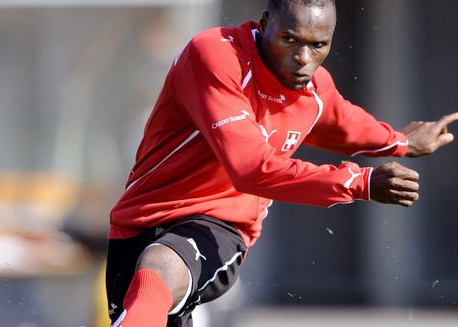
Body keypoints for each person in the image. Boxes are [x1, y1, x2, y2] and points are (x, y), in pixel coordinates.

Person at [105, 0, 458, 326]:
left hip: (222, 222)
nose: (303, 57)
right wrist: (358, 182)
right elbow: (252, 168)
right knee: (146, 295)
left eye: (318, 45)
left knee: (162, 263)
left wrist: (401, 142)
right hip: (139, 220)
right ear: (264, 25)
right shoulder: (215, 55)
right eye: (289, 39)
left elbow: (344, 124)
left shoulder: (314, 87)